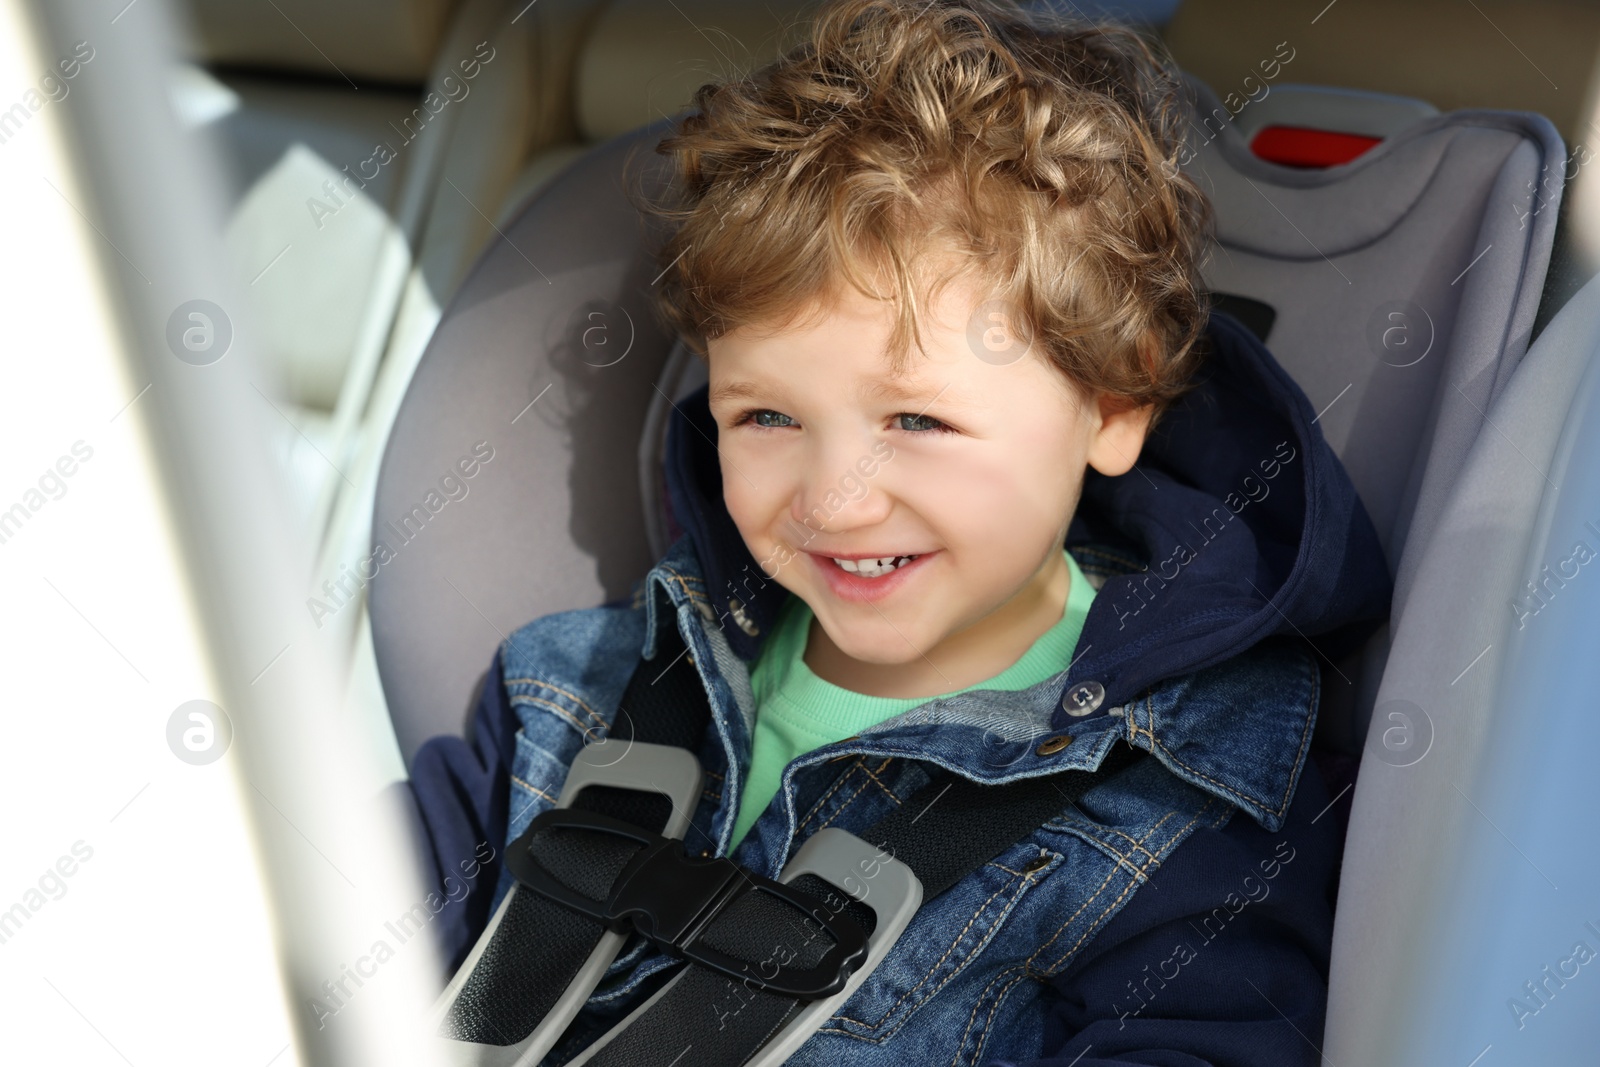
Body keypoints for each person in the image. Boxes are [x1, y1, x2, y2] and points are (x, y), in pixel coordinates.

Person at [403, 1, 1392, 1063]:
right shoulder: (578, 694)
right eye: (767, 416)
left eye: (917, 420)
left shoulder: (1190, 812)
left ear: (1111, 405)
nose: (835, 500)